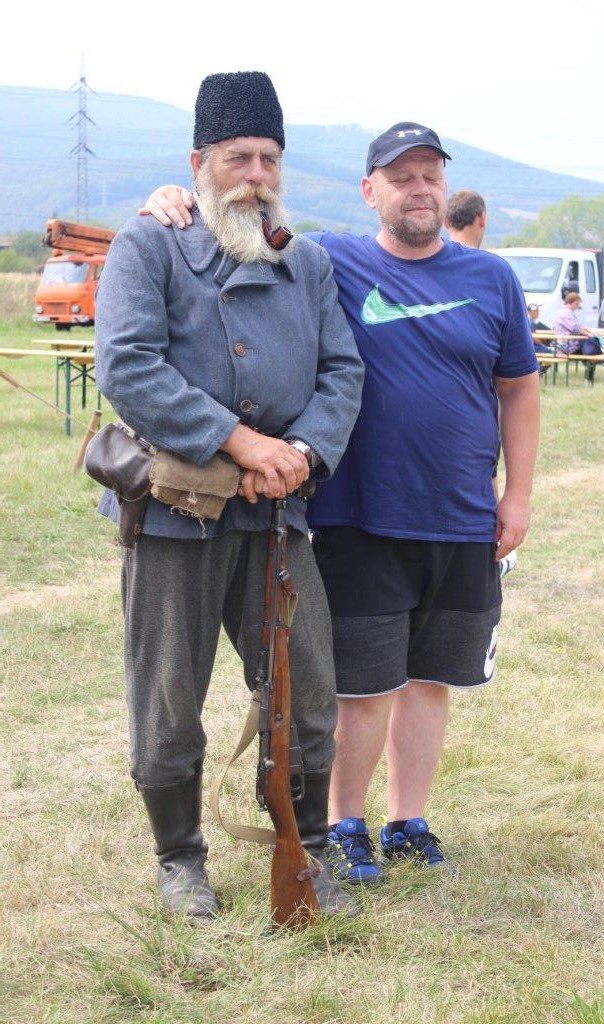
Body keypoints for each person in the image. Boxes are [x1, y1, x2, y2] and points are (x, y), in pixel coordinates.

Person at [144, 120, 540, 886]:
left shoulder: (490, 278)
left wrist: (516, 495)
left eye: (429, 175)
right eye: (401, 177)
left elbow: (518, 389)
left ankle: (408, 821)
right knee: (361, 686)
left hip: (463, 515)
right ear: (368, 191)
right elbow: (240, 218)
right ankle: (346, 823)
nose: (419, 189)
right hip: (360, 515)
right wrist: (173, 198)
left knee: (432, 680)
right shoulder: (330, 259)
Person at [95, 72, 364, 920]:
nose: (253, 174)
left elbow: (342, 371)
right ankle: (180, 861)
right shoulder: (149, 244)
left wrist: (298, 455)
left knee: (307, 688)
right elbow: (128, 365)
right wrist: (240, 443)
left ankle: (306, 850)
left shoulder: (305, 262)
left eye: (267, 159)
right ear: (198, 163)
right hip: (173, 514)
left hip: (277, 511)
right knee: (169, 696)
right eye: (236, 157)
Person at [553, 291, 602, 383]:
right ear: (570, 302)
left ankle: (588, 378)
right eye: (576, 304)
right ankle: (588, 379)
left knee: (591, 352)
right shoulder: (565, 313)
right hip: (566, 345)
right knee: (592, 352)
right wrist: (588, 334)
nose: (577, 306)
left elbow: (578, 327)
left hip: (569, 344)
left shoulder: (566, 312)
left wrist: (587, 331)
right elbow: (575, 328)